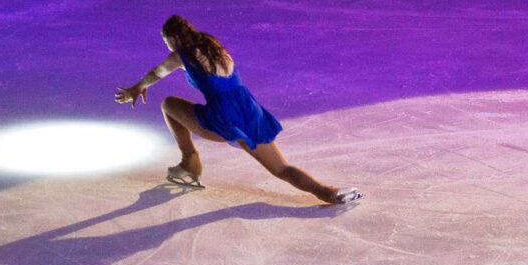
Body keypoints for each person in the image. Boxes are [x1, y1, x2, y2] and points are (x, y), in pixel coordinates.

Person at [115, 15, 362, 204]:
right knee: (281, 169)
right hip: (249, 110)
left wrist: (137, 87)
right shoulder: (211, 45)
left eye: (165, 41)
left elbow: (157, 72)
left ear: (173, 39)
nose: (166, 45)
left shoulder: (181, 55)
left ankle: (190, 161)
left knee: (169, 104)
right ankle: (327, 192)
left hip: (222, 117)